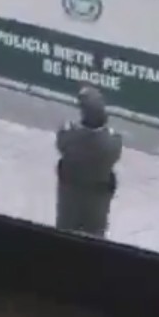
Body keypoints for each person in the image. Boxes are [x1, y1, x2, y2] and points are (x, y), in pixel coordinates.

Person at [55, 87, 122, 237]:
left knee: (65, 231)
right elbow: (115, 156)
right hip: (97, 198)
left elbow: (61, 144)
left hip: (70, 195)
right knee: (95, 233)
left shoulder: (70, 135)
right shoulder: (112, 142)